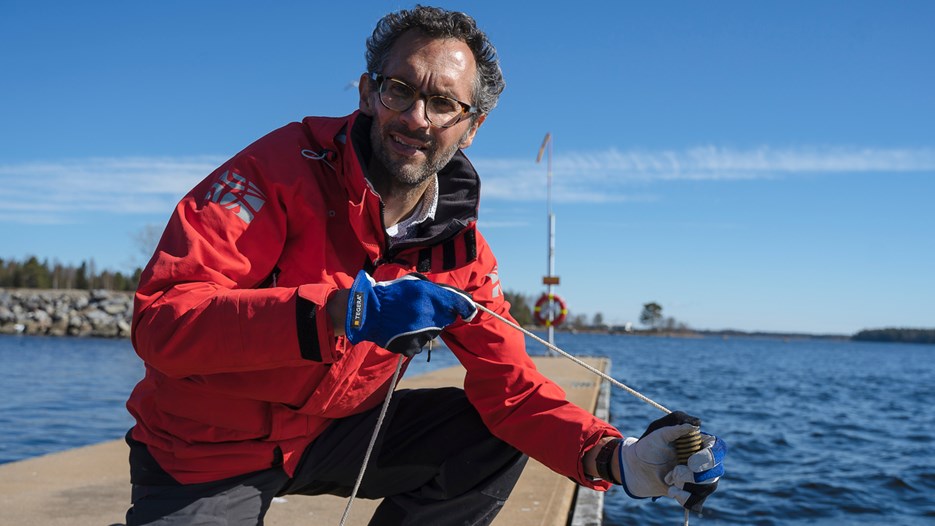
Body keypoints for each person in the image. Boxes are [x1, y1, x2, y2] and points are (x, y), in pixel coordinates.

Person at [124, 5, 726, 525]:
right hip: (201, 451)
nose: (418, 118)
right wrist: (337, 311)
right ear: (367, 93)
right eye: (401, 91)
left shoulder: (462, 251)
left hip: (332, 436)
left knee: (488, 433)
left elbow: (509, 388)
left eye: (443, 103)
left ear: (470, 128)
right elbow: (163, 320)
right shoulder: (273, 174)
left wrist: (613, 457)